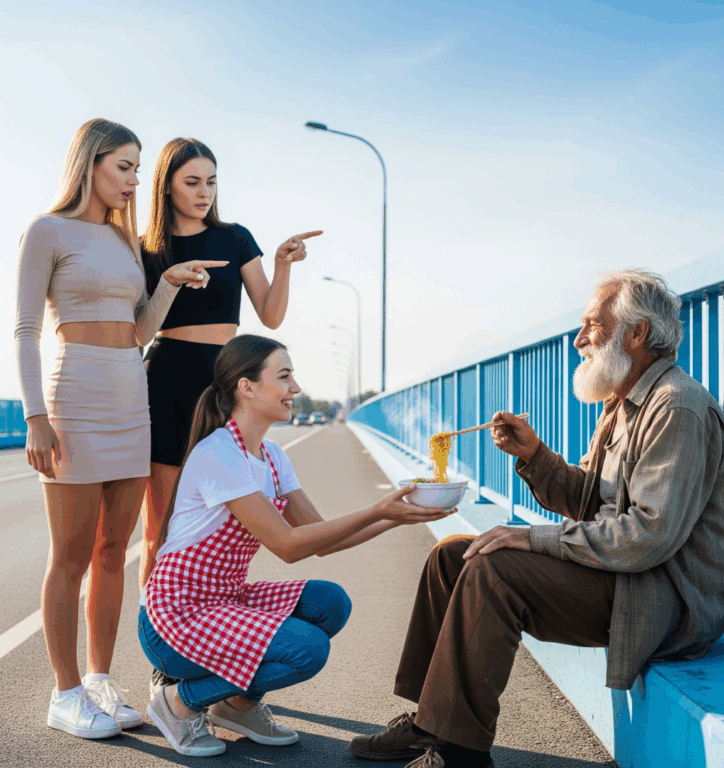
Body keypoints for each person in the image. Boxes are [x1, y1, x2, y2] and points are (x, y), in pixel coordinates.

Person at [349, 268, 724, 768]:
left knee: (495, 567)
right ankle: (431, 720)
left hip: (664, 600)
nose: (579, 340)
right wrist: (535, 455)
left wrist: (532, 538)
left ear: (637, 333)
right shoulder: (624, 403)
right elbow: (592, 502)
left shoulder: (677, 407)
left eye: (592, 325)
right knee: (453, 556)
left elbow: (647, 536)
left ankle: (460, 751)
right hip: (627, 577)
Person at [138, 334, 456, 757]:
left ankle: (236, 706)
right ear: (246, 387)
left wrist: (395, 516)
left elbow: (321, 538)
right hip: (175, 621)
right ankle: (178, 702)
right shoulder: (220, 455)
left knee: (330, 602)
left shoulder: (271, 456)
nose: (296, 389)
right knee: (306, 649)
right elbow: (288, 546)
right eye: (284, 376)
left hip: (223, 601)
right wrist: (378, 508)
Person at [14, 119, 229, 739]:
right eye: (125, 167)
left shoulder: (126, 241)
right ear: (90, 164)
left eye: (138, 169)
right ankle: (65, 693)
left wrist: (164, 283)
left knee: (115, 552)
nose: (137, 181)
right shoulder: (47, 230)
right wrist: (36, 417)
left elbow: (138, 333)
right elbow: (27, 330)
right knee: (72, 556)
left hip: (130, 399)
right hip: (73, 398)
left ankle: (101, 677)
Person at [138, 137, 320, 603]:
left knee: (224, 514)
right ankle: (159, 650)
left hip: (223, 380)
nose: (205, 192)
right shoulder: (147, 247)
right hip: (167, 377)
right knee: (162, 521)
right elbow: (139, 326)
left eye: (212, 182)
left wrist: (282, 265)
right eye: (192, 182)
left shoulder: (235, 237)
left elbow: (271, 315)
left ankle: (211, 615)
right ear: (167, 187)